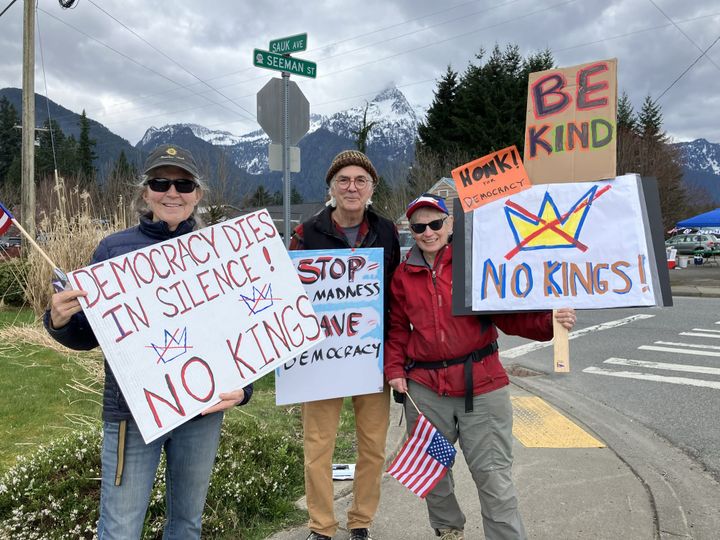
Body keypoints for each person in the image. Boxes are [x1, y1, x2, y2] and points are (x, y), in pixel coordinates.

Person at [43, 144, 253, 540]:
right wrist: (59, 321)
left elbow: (244, 330)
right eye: (160, 182)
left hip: (202, 411)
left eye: (183, 184)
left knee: (187, 524)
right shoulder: (113, 250)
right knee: (120, 528)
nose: (172, 192)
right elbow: (88, 335)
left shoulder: (218, 252)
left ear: (197, 195)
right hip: (134, 413)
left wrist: (245, 389)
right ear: (145, 192)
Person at [385, 193, 576, 540]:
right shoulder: (403, 275)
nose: (428, 232)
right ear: (411, 230)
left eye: (435, 223)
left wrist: (550, 321)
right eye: (419, 226)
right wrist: (395, 369)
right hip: (426, 391)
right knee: (434, 475)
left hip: (482, 387)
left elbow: (510, 315)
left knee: (493, 477)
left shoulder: (476, 264)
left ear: (450, 224)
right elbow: (398, 327)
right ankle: (448, 531)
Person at [289, 150, 401, 540]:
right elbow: (288, 296)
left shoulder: (386, 231)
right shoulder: (306, 233)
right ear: (331, 187)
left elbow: (395, 295)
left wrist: (397, 354)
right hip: (321, 358)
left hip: (371, 356)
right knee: (318, 447)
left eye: (360, 180)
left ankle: (361, 521)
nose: (352, 187)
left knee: (373, 447)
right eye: (344, 180)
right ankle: (322, 525)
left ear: (371, 188)